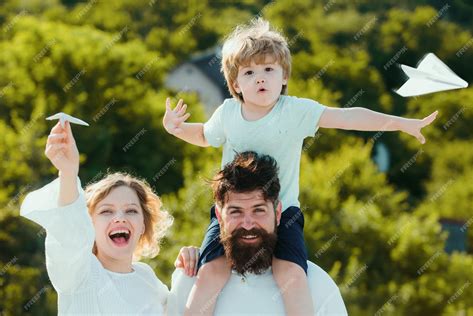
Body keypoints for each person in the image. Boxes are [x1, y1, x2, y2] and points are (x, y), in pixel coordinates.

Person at [162, 18, 438, 316]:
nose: (260, 79)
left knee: (291, 276)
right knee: (210, 273)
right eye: (250, 72)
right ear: (235, 84)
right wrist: (177, 129)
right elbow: (203, 135)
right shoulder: (228, 113)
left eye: (269, 70)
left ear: (284, 77)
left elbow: (347, 117)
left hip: (284, 211)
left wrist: (399, 123)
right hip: (234, 212)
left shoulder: (295, 110)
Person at [20, 120, 178, 314]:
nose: (120, 218)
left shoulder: (148, 279)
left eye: (131, 210)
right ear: (89, 225)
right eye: (106, 211)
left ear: (143, 225)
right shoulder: (80, 273)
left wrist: (189, 268)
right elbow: (70, 232)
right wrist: (68, 172)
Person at [168, 151, 348, 315]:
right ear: (218, 217)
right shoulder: (189, 280)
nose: (247, 224)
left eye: (258, 210)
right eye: (236, 211)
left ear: (278, 214)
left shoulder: (316, 284)